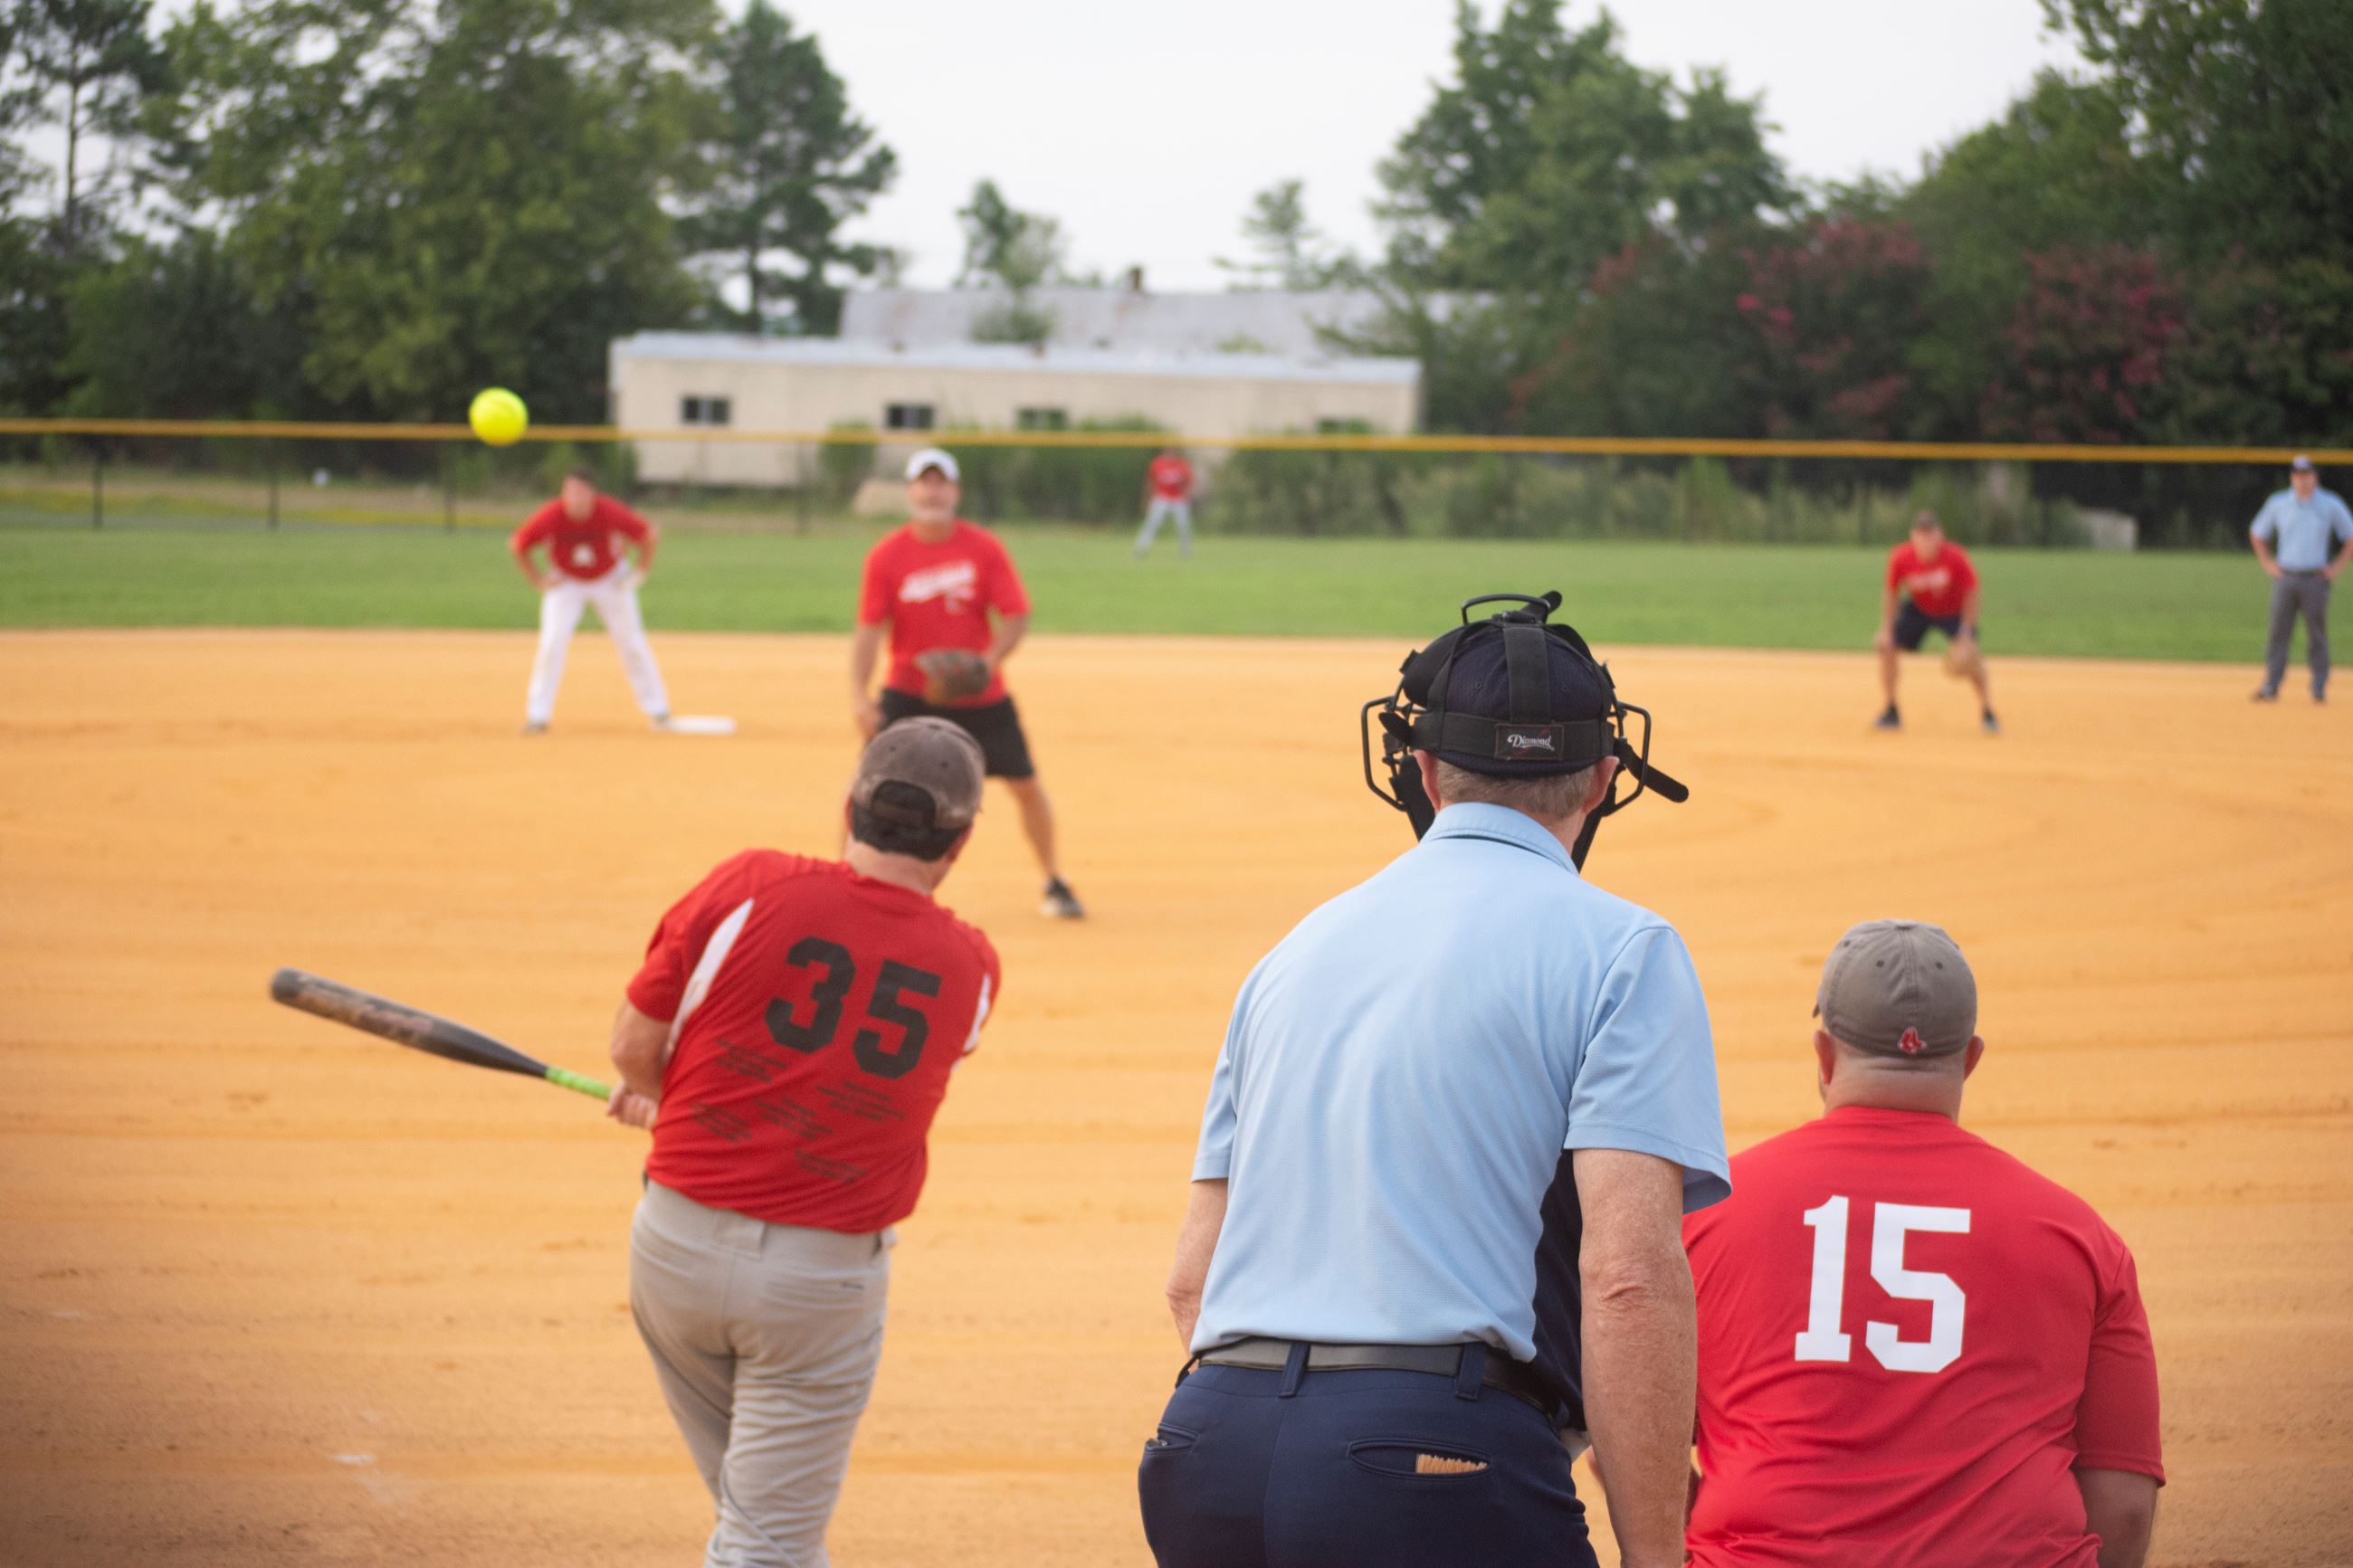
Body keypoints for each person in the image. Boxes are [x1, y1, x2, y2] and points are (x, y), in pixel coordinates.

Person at [1140, 594, 1729, 1568]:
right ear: (1601, 777)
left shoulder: (1291, 951)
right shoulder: (1624, 948)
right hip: (1432, 1464)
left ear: (1416, 770)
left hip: (1206, 1448)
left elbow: (1191, 1280)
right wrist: (1655, 1553)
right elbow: (1626, 1277)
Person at [605, 717, 1004, 1568]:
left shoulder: (749, 883)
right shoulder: (971, 964)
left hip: (671, 1248)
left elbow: (633, 1048)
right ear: (959, 842)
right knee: (765, 1538)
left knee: (759, 1521)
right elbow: (860, 1083)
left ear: (849, 806)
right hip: (815, 1288)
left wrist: (667, 1093)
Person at [1679, 920, 2164, 1568]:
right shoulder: (2080, 1236)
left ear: (1824, 1055)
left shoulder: (1705, 1213)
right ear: (1970, 1058)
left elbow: (1626, 1442)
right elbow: (2124, 1507)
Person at [851, 446, 1085, 920]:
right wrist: (859, 694)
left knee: (1026, 785)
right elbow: (869, 630)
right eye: (924, 481)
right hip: (909, 691)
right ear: (910, 490)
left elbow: (1017, 615)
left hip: (981, 696)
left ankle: (1054, 880)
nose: (932, 490)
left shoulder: (982, 548)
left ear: (954, 491)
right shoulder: (887, 555)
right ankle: (850, 884)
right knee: (865, 787)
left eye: (941, 482)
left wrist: (985, 662)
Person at [510, 469, 673, 735]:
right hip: (566, 582)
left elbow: (648, 535)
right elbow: (519, 544)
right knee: (552, 641)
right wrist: (537, 580)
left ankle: (658, 711)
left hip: (609, 579)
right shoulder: (552, 514)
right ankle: (537, 716)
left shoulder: (608, 511)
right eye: (569, 491)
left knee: (631, 642)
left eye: (580, 492)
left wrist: (640, 572)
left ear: (591, 494)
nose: (574, 498)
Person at [1874, 510, 1996, 735]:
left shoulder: (1955, 556)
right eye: (1921, 535)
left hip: (1953, 611)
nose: (1926, 540)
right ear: (1913, 537)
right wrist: (1886, 630)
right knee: (1886, 648)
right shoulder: (1901, 557)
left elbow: (1972, 591)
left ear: (1941, 536)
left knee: (1969, 658)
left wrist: (1967, 631)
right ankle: (1891, 711)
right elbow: (1891, 593)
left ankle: (1988, 711)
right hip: (1919, 609)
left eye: (1931, 534)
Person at [2248, 454, 2353, 704]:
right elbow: (2257, 533)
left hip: (2315, 578)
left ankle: (2319, 686)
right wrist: (2268, 563)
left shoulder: (2329, 504)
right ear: (2292, 478)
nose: (2303, 480)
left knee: (2317, 634)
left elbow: (2349, 536)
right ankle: (2271, 685)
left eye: (2307, 475)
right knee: (2278, 632)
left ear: (2315, 477)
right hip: (2286, 576)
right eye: (2298, 475)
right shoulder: (2279, 503)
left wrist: (2336, 568)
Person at [1133, 447, 1196, 558]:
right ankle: (1141, 549)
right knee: (1152, 524)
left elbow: (1189, 483)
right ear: (1164, 453)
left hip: (1178, 499)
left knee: (1183, 526)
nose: (1171, 455)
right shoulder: (1158, 464)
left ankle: (1186, 552)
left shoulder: (1181, 465)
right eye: (1168, 452)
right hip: (1162, 498)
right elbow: (1150, 481)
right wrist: (1146, 498)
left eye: (1173, 452)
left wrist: (1188, 496)